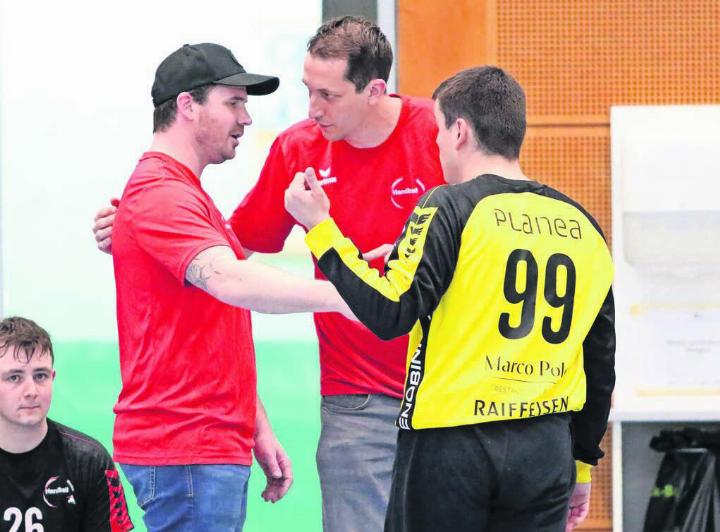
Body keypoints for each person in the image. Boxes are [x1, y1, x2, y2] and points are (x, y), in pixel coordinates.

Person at [93, 18, 445, 531]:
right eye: (308, 91)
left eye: (327, 94)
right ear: (188, 106)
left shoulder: (440, 131)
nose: (311, 109)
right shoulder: (290, 151)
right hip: (354, 400)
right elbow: (232, 265)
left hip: (448, 392)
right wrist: (362, 297)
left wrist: (254, 424)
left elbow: (219, 266)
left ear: (374, 90)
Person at [285, 65, 616, 532]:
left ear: (459, 131)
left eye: (438, 131)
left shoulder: (449, 206)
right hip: (545, 449)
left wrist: (321, 229)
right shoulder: (583, 224)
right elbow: (599, 362)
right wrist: (581, 464)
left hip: (452, 445)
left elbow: (389, 311)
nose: (436, 144)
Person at [111, 43, 351, 532]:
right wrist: (350, 297)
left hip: (205, 446)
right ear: (187, 105)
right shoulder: (161, 192)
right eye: (234, 102)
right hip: (186, 449)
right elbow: (229, 280)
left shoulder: (185, 194)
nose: (246, 118)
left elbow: (211, 328)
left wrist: (253, 426)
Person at [0, 316, 134, 531]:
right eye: (14, 378)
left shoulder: (90, 461)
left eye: (40, 376)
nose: (31, 391)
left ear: (52, 378)